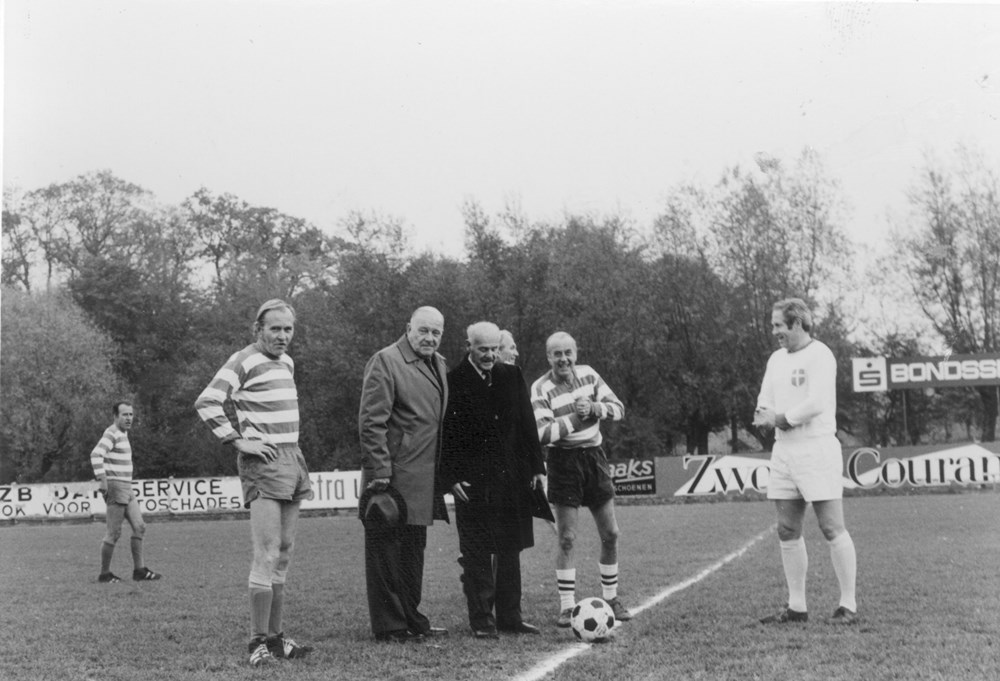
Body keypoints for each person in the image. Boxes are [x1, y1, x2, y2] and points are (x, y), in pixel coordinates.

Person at [195, 299, 314, 667]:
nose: (282, 336)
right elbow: (208, 401)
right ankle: (256, 643)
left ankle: (277, 640)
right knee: (265, 552)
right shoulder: (244, 359)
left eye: (288, 329)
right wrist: (237, 439)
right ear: (258, 329)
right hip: (263, 462)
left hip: (292, 457)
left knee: (284, 552)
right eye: (274, 328)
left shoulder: (287, 362)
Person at [753, 297, 858, 625]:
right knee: (786, 528)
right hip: (784, 450)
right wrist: (763, 414)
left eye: (778, 325)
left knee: (830, 526)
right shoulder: (775, 359)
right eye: (773, 326)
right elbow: (764, 400)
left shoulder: (820, 354)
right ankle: (797, 607)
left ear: (797, 323)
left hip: (816, 448)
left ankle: (848, 604)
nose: (774, 332)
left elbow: (818, 402)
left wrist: (781, 417)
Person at [440, 322, 548, 639]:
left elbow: (527, 425)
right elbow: (445, 435)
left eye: (494, 349)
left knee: (510, 548)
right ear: (468, 346)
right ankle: (482, 620)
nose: (489, 355)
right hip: (472, 483)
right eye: (483, 349)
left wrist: (537, 468)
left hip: (511, 480)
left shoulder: (511, 376)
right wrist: (450, 477)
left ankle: (510, 617)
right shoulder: (453, 382)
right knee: (476, 552)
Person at [358, 306, 451, 643]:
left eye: (436, 333)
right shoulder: (386, 360)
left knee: (413, 553)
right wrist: (380, 470)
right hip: (393, 477)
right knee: (386, 553)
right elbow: (371, 422)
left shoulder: (438, 363)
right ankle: (391, 626)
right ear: (408, 328)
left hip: (424, 478)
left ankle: (412, 618)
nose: (429, 338)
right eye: (423, 330)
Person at [530, 332, 633, 627]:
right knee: (566, 537)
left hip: (594, 458)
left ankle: (611, 598)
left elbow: (618, 409)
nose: (563, 359)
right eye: (556, 354)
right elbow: (543, 433)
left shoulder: (589, 374)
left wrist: (596, 409)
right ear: (548, 357)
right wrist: (578, 417)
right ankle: (566, 607)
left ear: (576, 353)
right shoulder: (540, 388)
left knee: (611, 533)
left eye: (568, 353)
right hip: (562, 462)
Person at [91, 402, 162, 584]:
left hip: (126, 486)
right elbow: (96, 454)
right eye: (125, 415)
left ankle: (140, 571)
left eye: (131, 414)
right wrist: (103, 480)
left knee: (140, 527)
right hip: (116, 486)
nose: (129, 418)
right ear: (115, 416)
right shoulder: (112, 432)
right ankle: (104, 574)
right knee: (113, 533)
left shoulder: (123, 433)